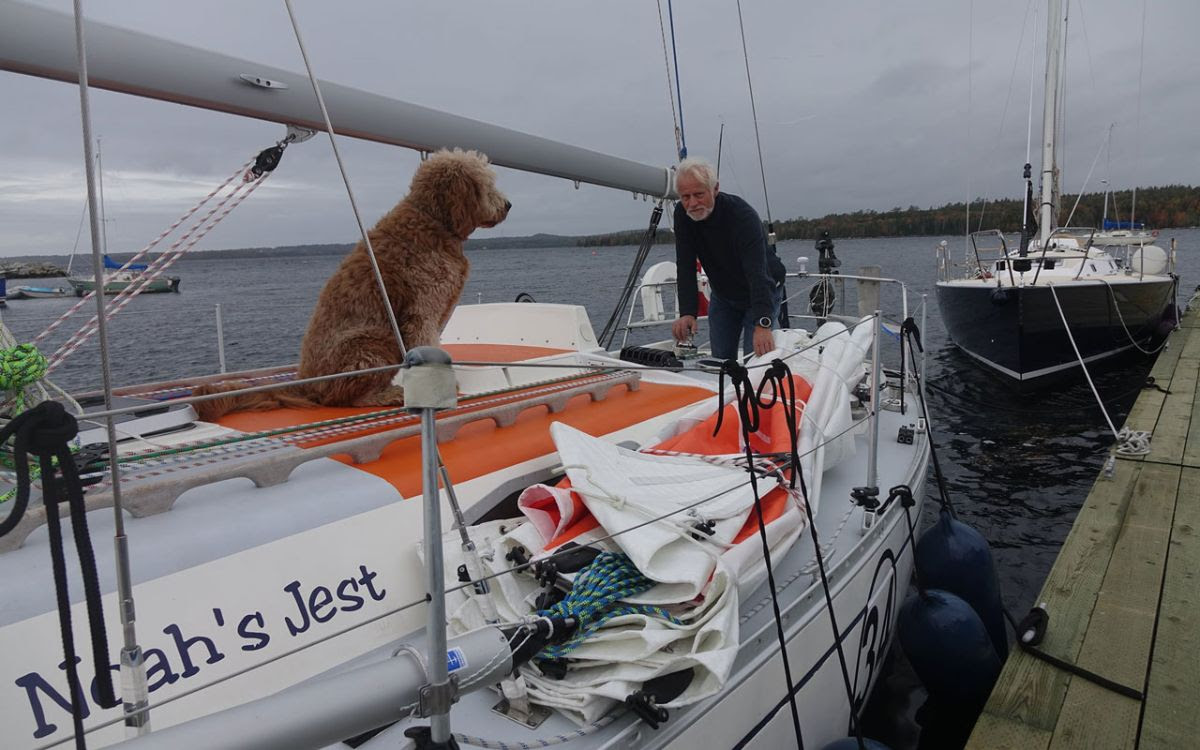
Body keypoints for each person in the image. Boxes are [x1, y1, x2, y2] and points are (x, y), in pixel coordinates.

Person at [670, 157, 786, 359]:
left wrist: (763, 323)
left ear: (715, 189)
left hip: (760, 289)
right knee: (721, 360)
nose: (692, 203)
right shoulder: (682, 214)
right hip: (724, 294)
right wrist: (688, 312)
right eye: (685, 197)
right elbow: (685, 265)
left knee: (756, 360)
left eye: (699, 194)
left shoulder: (742, 216)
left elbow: (757, 273)